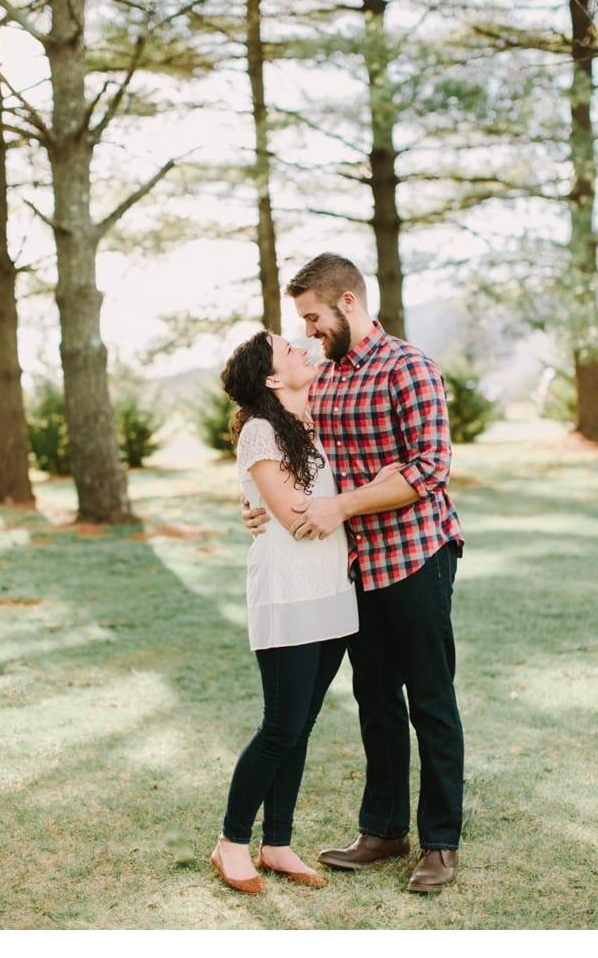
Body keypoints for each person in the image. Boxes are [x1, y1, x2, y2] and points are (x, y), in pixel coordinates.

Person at [243, 253, 466, 893]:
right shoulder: (326, 379)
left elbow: (428, 469)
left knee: (430, 699)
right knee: (374, 700)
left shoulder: (410, 367)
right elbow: (296, 457)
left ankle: (440, 842)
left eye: (313, 317)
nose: (308, 331)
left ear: (347, 301)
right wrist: (261, 503)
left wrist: (341, 504)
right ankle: (384, 828)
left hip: (417, 554)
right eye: (302, 323)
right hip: (354, 567)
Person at [211, 330, 361, 894]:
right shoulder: (260, 430)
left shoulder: (311, 422)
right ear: (273, 379)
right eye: (286, 347)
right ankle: (230, 842)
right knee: (279, 725)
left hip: (331, 591)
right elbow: (296, 519)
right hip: (287, 593)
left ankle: (277, 844)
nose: (301, 346)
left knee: (301, 726)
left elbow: (302, 507)